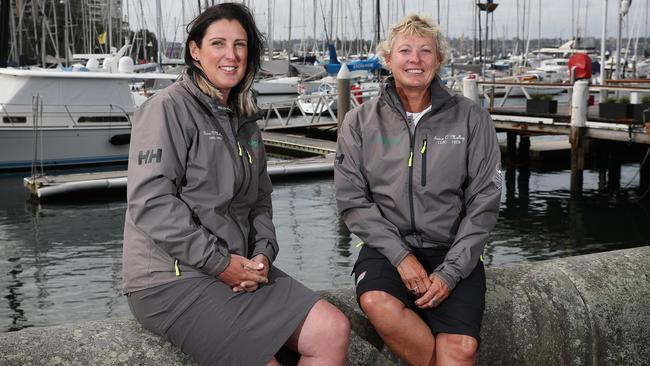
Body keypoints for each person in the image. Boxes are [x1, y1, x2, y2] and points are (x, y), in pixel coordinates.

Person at [123, 3, 350, 365]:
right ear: (195, 51)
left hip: (237, 266)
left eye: (240, 45)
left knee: (333, 329)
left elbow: (259, 200)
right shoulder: (167, 109)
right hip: (170, 279)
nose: (231, 55)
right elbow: (151, 203)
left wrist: (262, 255)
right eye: (218, 44)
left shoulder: (243, 120)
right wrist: (219, 263)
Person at [334, 14, 501, 366]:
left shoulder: (471, 117)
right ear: (388, 59)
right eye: (405, 50)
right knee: (379, 304)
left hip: (453, 246)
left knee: (461, 348)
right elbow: (351, 199)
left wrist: (452, 270)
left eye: (426, 51)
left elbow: (484, 200)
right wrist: (401, 256)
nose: (415, 59)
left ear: (438, 61)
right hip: (386, 247)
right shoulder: (360, 121)